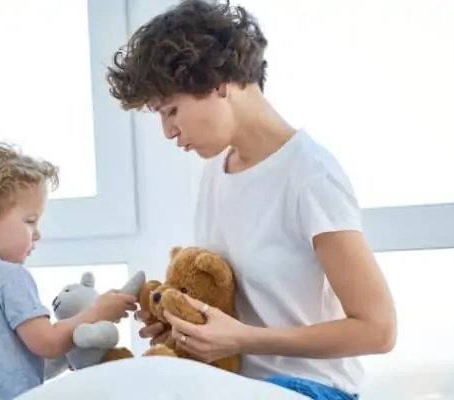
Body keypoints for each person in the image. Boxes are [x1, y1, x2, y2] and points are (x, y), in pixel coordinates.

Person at [106, 1, 397, 399]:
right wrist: (187, 326)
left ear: (220, 81)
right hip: (235, 386)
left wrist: (244, 339)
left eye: (171, 110)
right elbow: (233, 308)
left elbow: (378, 329)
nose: (168, 132)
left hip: (309, 388)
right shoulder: (215, 173)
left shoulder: (310, 177)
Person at [0, 143, 138, 400]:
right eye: (30, 221)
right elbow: (47, 343)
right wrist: (97, 311)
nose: (37, 233)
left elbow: (2, 362)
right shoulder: (8, 276)